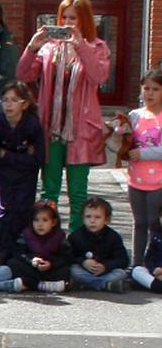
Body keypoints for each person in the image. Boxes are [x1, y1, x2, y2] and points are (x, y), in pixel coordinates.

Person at [17, 0, 111, 232]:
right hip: (50, 128)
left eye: (74, 18)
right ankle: (50, 240)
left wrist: (80, 45)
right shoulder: (49, 48)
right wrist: (32, 47)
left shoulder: (97, 47)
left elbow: (98, 76)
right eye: (64, 17)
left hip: (80, 129)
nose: (68, 23)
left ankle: (78, 240)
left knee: (78, 192)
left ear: (84, 21)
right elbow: (23, 75)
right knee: (49, 191)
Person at [0, 81, 45, 241]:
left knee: (23, 207)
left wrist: (6, 155)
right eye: (5, 100)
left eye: (14, 100)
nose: (8, 105)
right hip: (4, 173)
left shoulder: (32, 124)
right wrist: (21, 155)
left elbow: (37, 158)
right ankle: (3, 241)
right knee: (5, 206)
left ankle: (23, 241)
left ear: (24, 104)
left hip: (27, 175)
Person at [127, 69, 162, 266]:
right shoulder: (135, 116)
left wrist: (142, 154)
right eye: (146, 88)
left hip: (158, 182)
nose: (149, 93)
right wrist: (116, 133)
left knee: (153, 223)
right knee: (139, 223)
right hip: (135, 180)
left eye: (155, 89)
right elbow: (125, 141)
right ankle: (136, 264)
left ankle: (155, 262)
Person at [66, 196, 129, 292]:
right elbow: (68, 256)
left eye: (97, 217)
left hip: (106, 272)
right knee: (73, 270)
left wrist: (106, 266)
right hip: (84, 271)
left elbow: (123, 259)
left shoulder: (113, 236)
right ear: (82, 218)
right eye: (88, 217)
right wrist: (83, 262)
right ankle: (105, 285)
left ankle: (86, 285)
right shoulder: (75, 236)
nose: (92, 221)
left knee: (121, 273)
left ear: (106, 219)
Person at [9, 201, 70, 293]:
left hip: (51, 268)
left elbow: (66, 257)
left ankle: (32, 285)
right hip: (32, 268)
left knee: (66, 270)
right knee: (12, 263)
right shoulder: (26, 234)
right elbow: (19, 253)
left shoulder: (59, 236)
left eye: (45, 220)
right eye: (36, 220)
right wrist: (31, 260)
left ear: (53, 222)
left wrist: (51, 263)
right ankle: (41, 285)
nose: (40, 224)